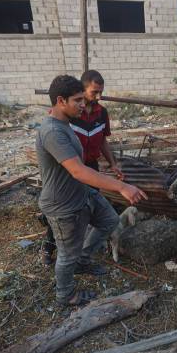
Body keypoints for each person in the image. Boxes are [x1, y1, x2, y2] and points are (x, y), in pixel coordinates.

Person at [36, 75, 147, 306]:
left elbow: (85, 165)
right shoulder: (52, 132)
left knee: (109, 221)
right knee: (67, 254)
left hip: (82, 192)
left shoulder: (64, 124)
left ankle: (83, 260)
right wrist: (122, 186)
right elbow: (78, 170)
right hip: (62, 204)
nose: (83, 104)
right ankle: (65, 295)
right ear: (60, 100)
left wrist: (110, 168)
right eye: (77, 100)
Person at [40, 70, 121, 265]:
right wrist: (121, 187)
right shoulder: (70, 113)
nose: (98, 97)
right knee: (64, 210)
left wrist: (113, 163)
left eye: (101, 92)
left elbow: (102, 141)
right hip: (70, 167)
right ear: (82, 90)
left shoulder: (102, 113)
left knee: (89, 207)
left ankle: (81, 252)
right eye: (94, 92)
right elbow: (54, 134)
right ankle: (49, 245)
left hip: (90, 166)